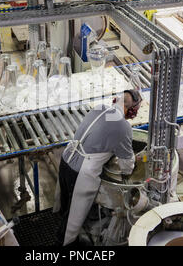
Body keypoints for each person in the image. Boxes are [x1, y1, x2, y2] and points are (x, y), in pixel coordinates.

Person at [53, 89, 143, 246]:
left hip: (66, 159)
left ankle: (67, 228)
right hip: (80, 172)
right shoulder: (123, 127)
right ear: (132, 110)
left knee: (66, 206)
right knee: (71, 221)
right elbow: (127, 167)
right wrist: (134, 159)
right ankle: (63, 244)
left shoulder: (99, 108)